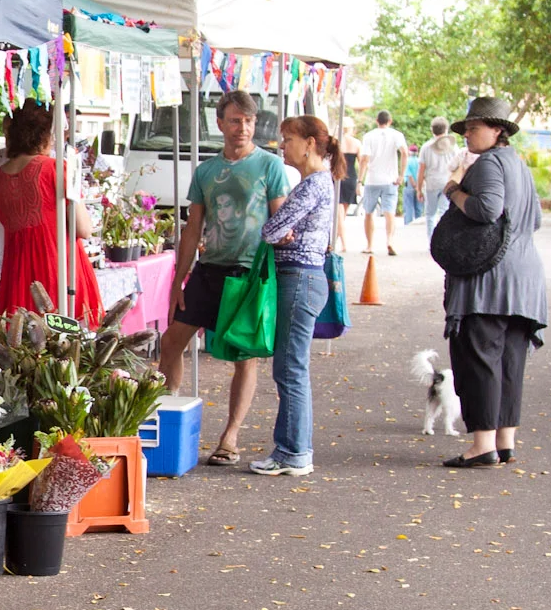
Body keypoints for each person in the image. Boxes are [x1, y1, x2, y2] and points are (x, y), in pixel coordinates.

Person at [157, 89, 294, 466]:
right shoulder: (205, 172)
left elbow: (281, 220)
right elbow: (192, 228)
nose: (243, 128)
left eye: (249, 121)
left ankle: (229, 436)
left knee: (244, 356)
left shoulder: (270, 166)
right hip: (209, 268)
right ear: (219, 124)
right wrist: (177, 280)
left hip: (249, 272)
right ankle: (169, 414)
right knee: (171, 342)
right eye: (235, 120)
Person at [438, 95, 546, 468]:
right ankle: (505, 441)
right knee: (510, 361)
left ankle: (482, 445)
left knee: (479, 357)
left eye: (475, 127)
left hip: (488, 281)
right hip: (525, 280)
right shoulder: (521, 167)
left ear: (498, 131)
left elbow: (487, 210)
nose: (468, 133)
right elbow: (533, 221)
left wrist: (454, 192)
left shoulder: (487, 165)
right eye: (466, 127)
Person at [0, 100, 100, 324]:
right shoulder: (60, 169)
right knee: (69, 346)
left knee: (23, 349)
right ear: (45, 136)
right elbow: (84, 229)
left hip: (18, 277)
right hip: (59, 270)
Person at [251, 116, 341, 478]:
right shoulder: (316, 183)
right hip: (301, 278)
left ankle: (293, 450)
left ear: (310, 143)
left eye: (288, 140)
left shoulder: (312, 185)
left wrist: (278, 231)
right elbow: (277, 229)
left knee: (290, 368)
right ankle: (291, 448)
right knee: (290, 366)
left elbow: (271, 227)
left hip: (299, 278)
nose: (282, 147)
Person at [356, 109, 407, 256]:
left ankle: (369, 245)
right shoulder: (397, 135)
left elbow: (364, 159)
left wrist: (360, 180)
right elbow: (404, 152)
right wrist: (401, 175)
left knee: (368, 213)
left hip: (372, 180)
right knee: (389, 212)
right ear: (389, 121)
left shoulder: (369, 136)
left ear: (377, 121)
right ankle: (389, 241)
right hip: (390, 180)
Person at [415, 119, 464, 238]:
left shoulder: (426, 147)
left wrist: (419, 188)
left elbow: (421, 170)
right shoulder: (453, 147)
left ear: (432, 130)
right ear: (446, 129)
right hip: (447, 183)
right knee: (444, 211)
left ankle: (431, 240)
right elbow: (459, 166)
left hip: (431, 184)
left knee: (430, 214)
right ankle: (443, 238)